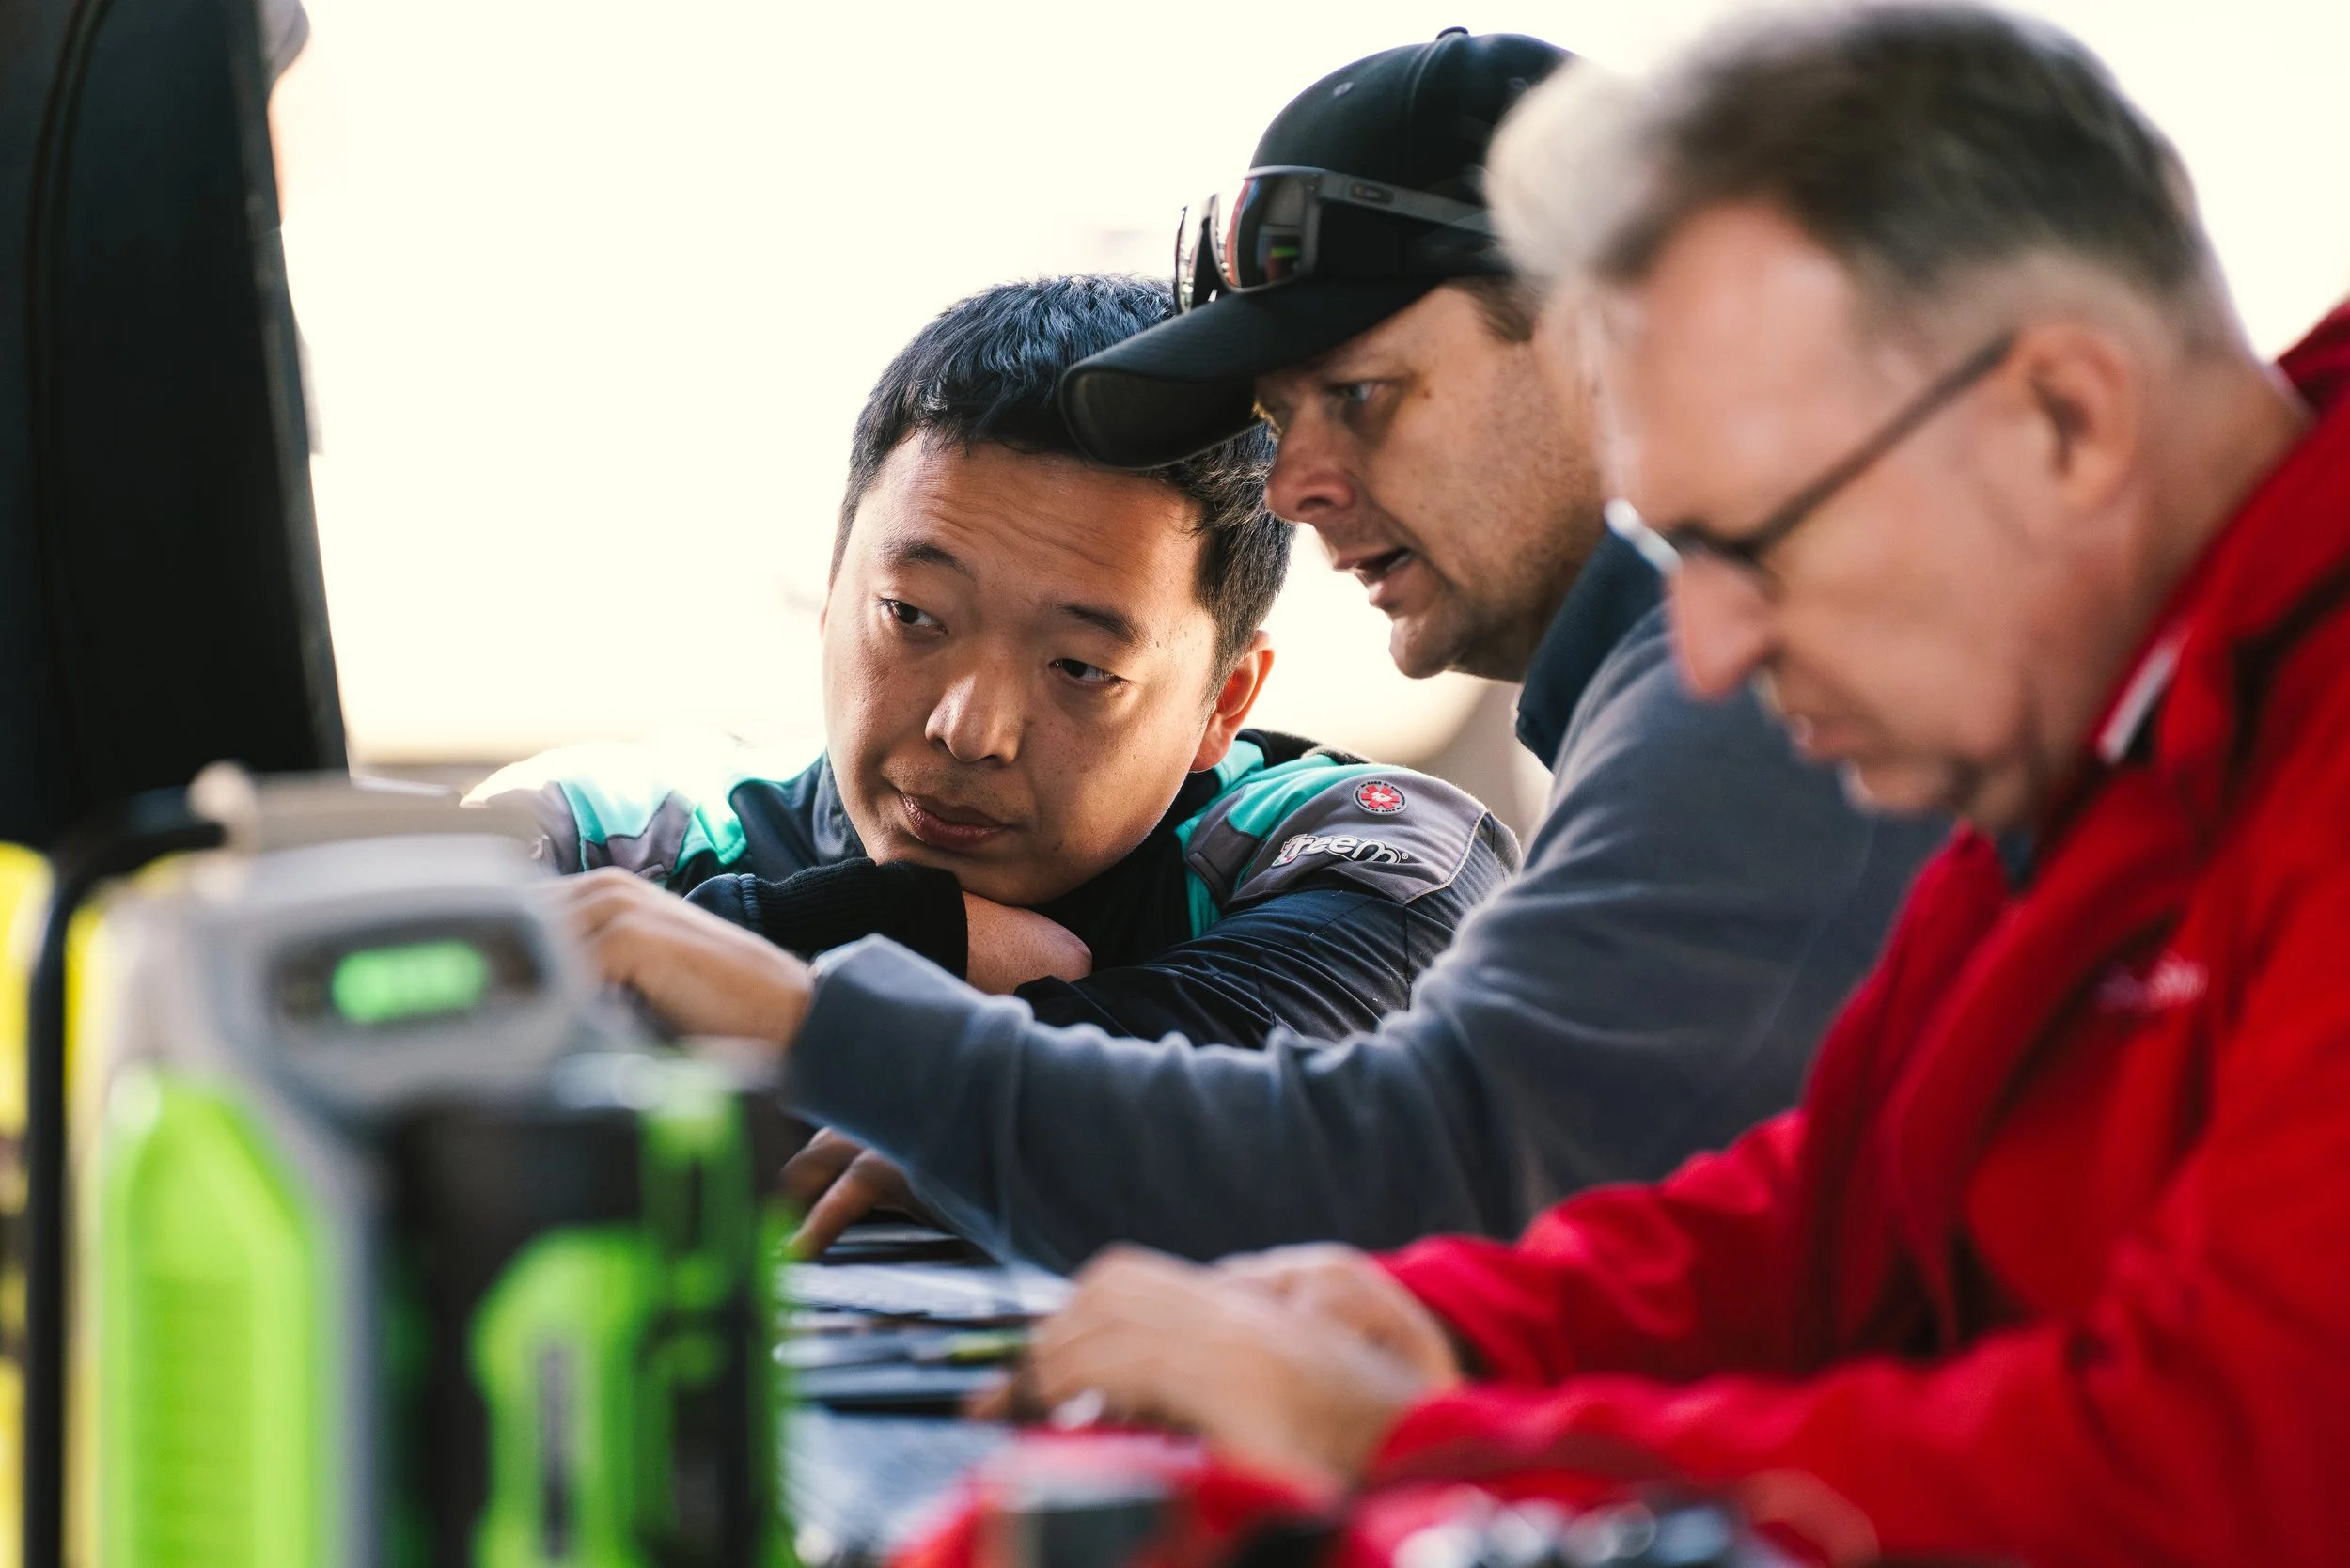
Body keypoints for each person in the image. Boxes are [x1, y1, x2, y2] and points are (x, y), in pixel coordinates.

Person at [987, 8, 2350, 1561]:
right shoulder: (2103, 737)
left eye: (1751, 545)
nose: (1703, 654)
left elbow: (2228, 1467)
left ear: (2064, 417)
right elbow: (1834, 1215)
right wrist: (1438, 1322)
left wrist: (1416, 1439)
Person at [563, 31, 1946, 1271]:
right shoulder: (1665, 694)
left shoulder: (1759, 691)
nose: (1298, 483)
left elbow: (1429, 1161)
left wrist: (821, 1027)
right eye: (1290, 415)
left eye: (1360, 395)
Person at [493, 275, 1518, 1235]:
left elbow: (1274, 1106)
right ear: (833, 592)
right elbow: (372, 1013)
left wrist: (899, 1069)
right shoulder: (618, 832)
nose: (968, 729)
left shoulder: (1357, 846)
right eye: (912, 615)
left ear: (1225, 701)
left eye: (1077, 667)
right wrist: (895, 926)